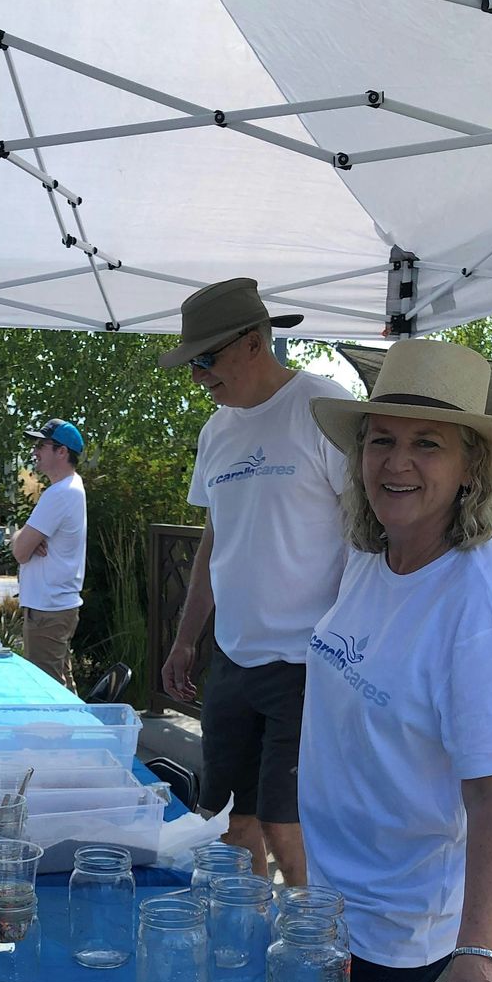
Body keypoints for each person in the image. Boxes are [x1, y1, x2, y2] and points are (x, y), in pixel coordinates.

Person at [302, 339, 492, 982]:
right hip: (327, 901)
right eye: (381, 440)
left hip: (395, 926)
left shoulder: (481, 603)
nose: (396, 462)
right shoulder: (372, 557)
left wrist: (476, 951)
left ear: (471, 467)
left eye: (426, 444)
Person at [158, 276, 355, 885]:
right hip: (233, 658)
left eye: (206, 360)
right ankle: (250, 941)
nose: (199, 377)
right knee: (227, 821)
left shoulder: (324, 410)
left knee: (285, 825)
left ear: (253, 342)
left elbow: (363, 536)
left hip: (307, 661)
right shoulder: (215, 431)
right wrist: (187, 638)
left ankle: (314, 951)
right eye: (191, 365)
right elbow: (217, 541)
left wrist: (353, 649)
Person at [10, 417, 87, 689]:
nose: (34, 452)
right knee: (61, 685)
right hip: (56, 607)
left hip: (48, 609)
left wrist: (21, 537)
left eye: (42, 445)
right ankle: (76, 731)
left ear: (62, 451)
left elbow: (19, 551)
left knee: (45, 691)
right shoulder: (71, 488)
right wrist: (26, 537)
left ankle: (59, 734)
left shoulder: (60, 494)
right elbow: (25, 544)